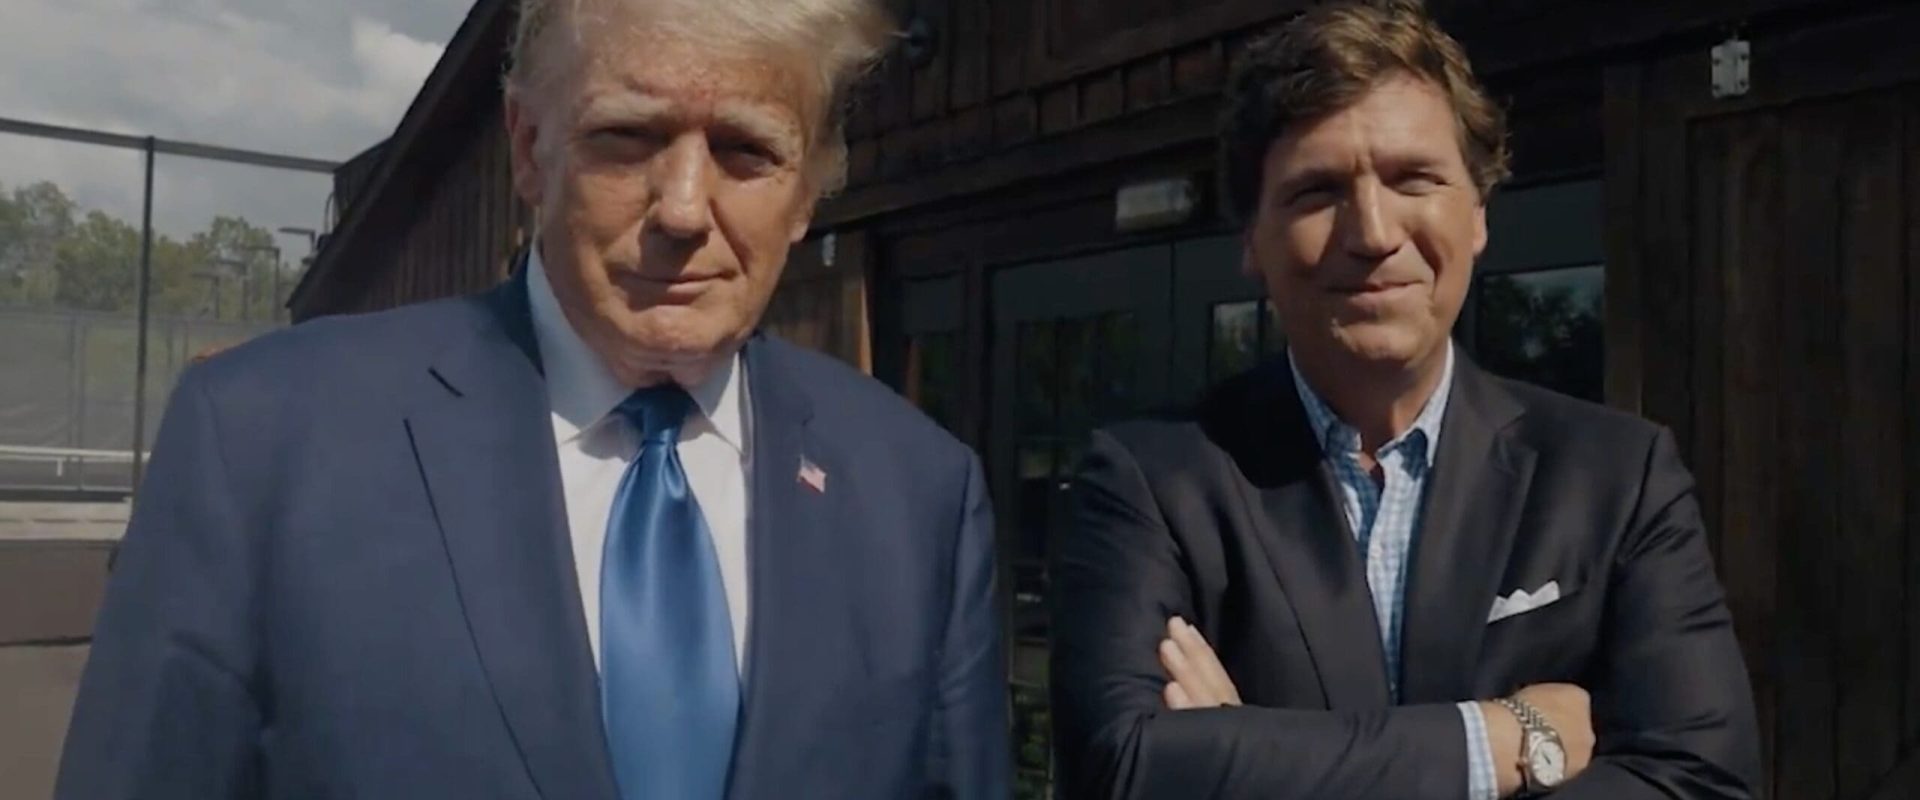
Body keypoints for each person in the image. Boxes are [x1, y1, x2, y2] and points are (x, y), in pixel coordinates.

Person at [56, 1, 1009, 798]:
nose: (683, 207)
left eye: (746, 150)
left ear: (807, 194)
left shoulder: (919, 494)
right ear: (527, 148)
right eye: (627, 137)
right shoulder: (264, 441)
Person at [1047, 1, 1760, 798]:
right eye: (1318, 191)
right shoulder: (1151, 482)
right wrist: (1499, 740)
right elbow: (1123, 768)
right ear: (1251, 240)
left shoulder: (1619, 478)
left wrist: (1250, 761)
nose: (1373, 233)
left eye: (1413, 178)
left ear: (1479, 215)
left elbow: (1703, 781)